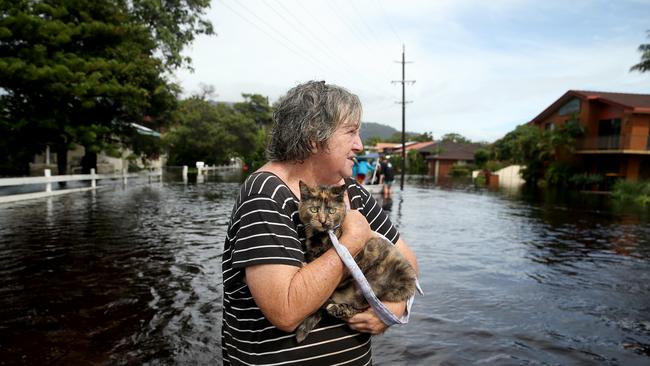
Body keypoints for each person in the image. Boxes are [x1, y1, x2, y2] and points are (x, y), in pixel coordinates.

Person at [221, 81, 419, 365]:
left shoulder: (352, 191)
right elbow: (286, 311)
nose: (359, 145)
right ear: (315, 136)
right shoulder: (265, 194)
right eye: (351, 131)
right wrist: (351, 242)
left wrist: (392, 308)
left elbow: (409, 262)